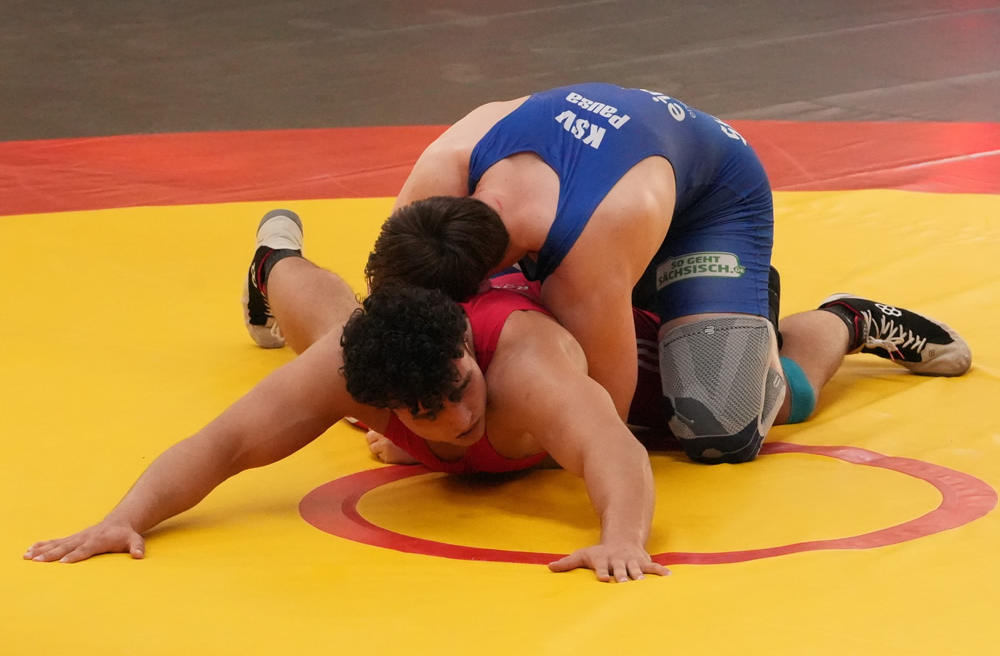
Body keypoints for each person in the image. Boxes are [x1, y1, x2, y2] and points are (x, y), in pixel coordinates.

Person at [23, 209, 672, 583]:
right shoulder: (349, 369)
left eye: (461, 387)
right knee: (336, 328)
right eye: (426, 413)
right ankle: (272, 260)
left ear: (468, 349)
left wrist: (622, 538)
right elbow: (225, 443)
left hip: (586, 312)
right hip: (378, 348)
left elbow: (609, 443)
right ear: (381, 402)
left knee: (689, 395)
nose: (461, 417)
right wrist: (126, 516)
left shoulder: (524, 365)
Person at [364, 82, 973, 465]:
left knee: (717, 427)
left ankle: (844, 321)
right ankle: (688, 317)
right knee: (514, 348)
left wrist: (455, 449)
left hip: (709, 199)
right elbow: (394, 317)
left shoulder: (585, 253)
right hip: (618, 182)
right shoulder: (440, 176)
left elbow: (608, 410)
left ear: (493, 271)